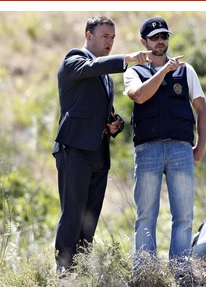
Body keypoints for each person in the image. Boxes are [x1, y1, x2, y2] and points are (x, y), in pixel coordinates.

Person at [53, 15, 152, 274]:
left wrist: (114, 124)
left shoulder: (106, 77)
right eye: (105, 36)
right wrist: (127, 58)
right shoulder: (73, 60)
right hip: (74, 150)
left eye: (113, 38)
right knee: (73, 213)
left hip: (98, 154)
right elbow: (90, 68)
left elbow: (103, 112)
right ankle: (63, 270)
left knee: (90, 216)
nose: (110, 42)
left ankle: (81, 268)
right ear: (88, 35)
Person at [123, 17, 206, 269]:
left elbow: (201, 109)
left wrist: (200, 145)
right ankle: (146, 271)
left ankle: (181, 269)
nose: (161, 41)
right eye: (155, 37)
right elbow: (139, 96)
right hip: (147, 150)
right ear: (143, 42)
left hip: (181, 150)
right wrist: (164, 71)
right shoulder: (133, 72)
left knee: (183, 215)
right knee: (146, 215)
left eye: (164, 36)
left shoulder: (186, 70)